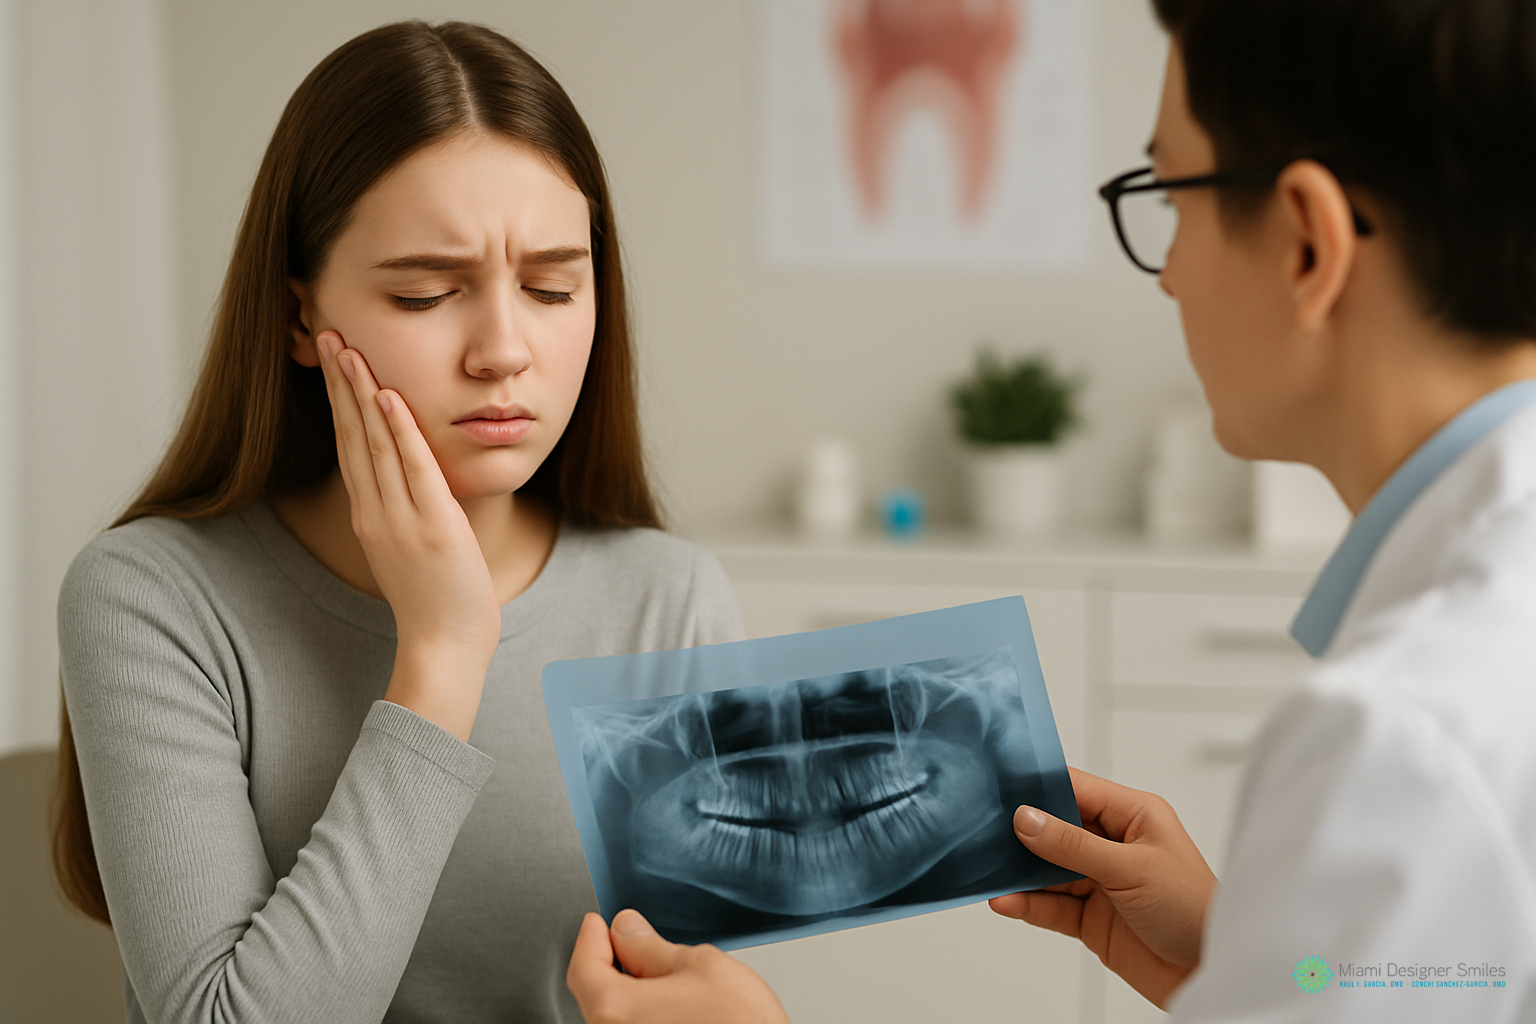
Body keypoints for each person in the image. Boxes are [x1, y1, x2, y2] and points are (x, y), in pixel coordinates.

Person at [565, 0, 1536, 1020]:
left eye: (1170, 196)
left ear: (1306, 243)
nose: (1167, 273)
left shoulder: (1400, 736)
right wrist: (1243, 951)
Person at [52, 20, 742, 1024]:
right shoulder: (151, 595)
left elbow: (684, 992)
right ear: (299, 318)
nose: (504, 349)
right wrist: (443, 651)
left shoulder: (669, 600)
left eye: (553, 285)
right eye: (427, 293)